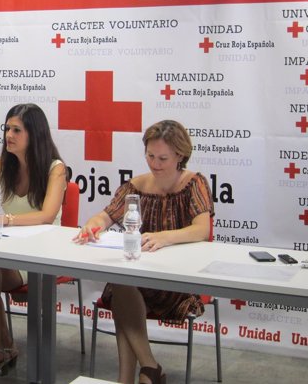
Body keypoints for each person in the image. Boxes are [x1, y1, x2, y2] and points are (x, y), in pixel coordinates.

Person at [75, 119, 214, 384]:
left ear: (180, 156)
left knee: (122, 291)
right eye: (150, 156)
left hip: (176, 280)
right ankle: (149, 368)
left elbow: (201, 230)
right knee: (123, 284)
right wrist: (92, 226)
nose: (154, 163)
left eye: (162, 158)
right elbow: (105, 216)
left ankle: (138, 374)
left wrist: (164, 238)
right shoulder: (135, 187)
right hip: (138, 276)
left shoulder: (194, 183)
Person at [0, 103, 66, 376]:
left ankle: (3, 345)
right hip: (8, 249)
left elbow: (46, 216)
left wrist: (3, 219)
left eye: (17, 130)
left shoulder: (55, 169)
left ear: (35, 134)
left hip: (42, 254)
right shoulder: (1, 164)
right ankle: (2, 343)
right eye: (7, 128)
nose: (8, 135)